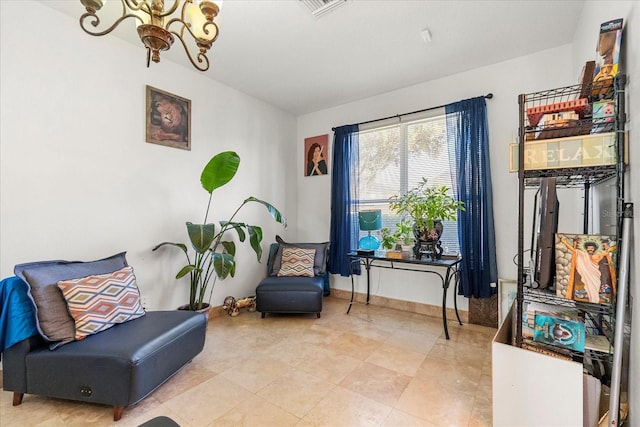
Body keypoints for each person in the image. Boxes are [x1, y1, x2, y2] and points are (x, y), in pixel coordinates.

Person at [560, 237, 616, 303]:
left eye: (592, 248)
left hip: (595, 276)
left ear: (594, 249)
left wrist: (617, 244)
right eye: (589, 248)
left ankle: (595, 301)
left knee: (595, 289)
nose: (590, 249)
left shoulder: (598, 255)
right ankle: (592, 301)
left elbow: (608, 251)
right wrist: (565, 242)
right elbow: (573, 250)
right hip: (587, 276)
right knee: (589, 288)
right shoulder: (583, 254)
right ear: (586, 249)